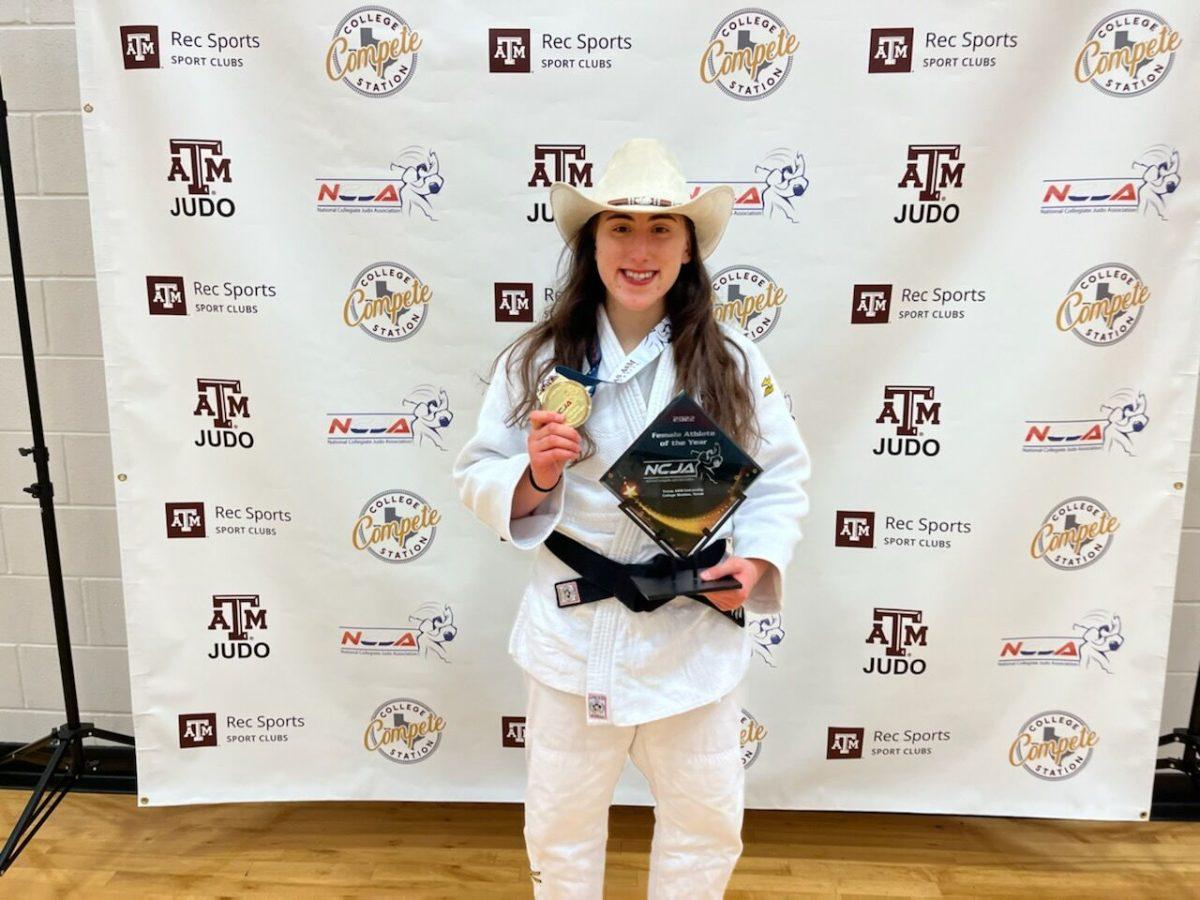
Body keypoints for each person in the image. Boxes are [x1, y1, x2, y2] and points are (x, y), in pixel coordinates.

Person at [453, 138, 810, 898]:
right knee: (560, 825)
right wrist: (534, 472)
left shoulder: (734, 358)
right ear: (591, 244)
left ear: (689, 249)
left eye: (659, 230)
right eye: (620, 227)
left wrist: (757, 560)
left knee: (705, 823)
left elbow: (779, 478)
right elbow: (479, 471)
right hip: (571, 632)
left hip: (691, 632)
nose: (639, 249)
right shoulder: (540, 359)